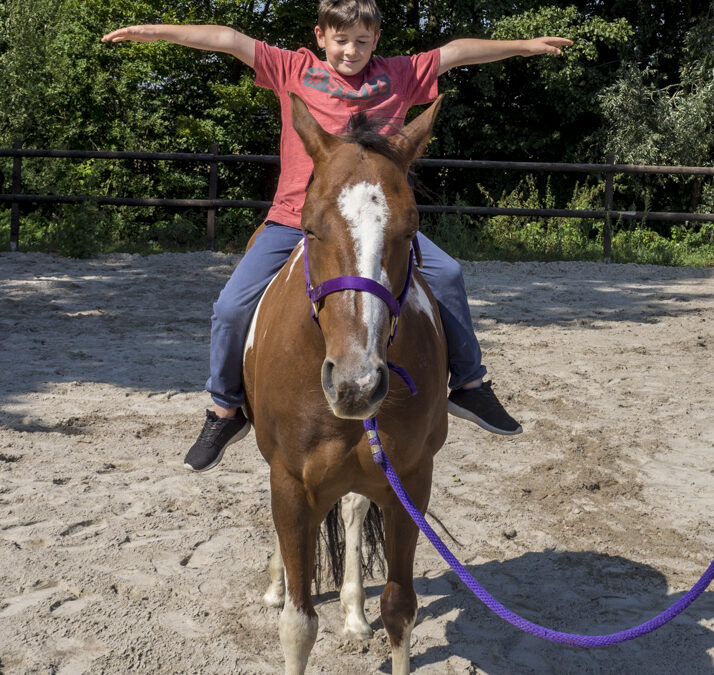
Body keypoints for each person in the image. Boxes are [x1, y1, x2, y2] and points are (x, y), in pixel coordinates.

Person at [103, 1, 572, 472]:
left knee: (448, 273)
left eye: (362, 42)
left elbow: (456, 52)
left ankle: (469, 386)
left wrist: (523, 46)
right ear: (321, 36)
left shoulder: (400, 74)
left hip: (376, 223)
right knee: (230, 307)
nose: (352, 50)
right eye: (342, 40)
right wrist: (154, 31)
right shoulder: (293, 68)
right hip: (297, 220)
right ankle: (224, 408)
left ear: (376, 40)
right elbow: (228, 39)